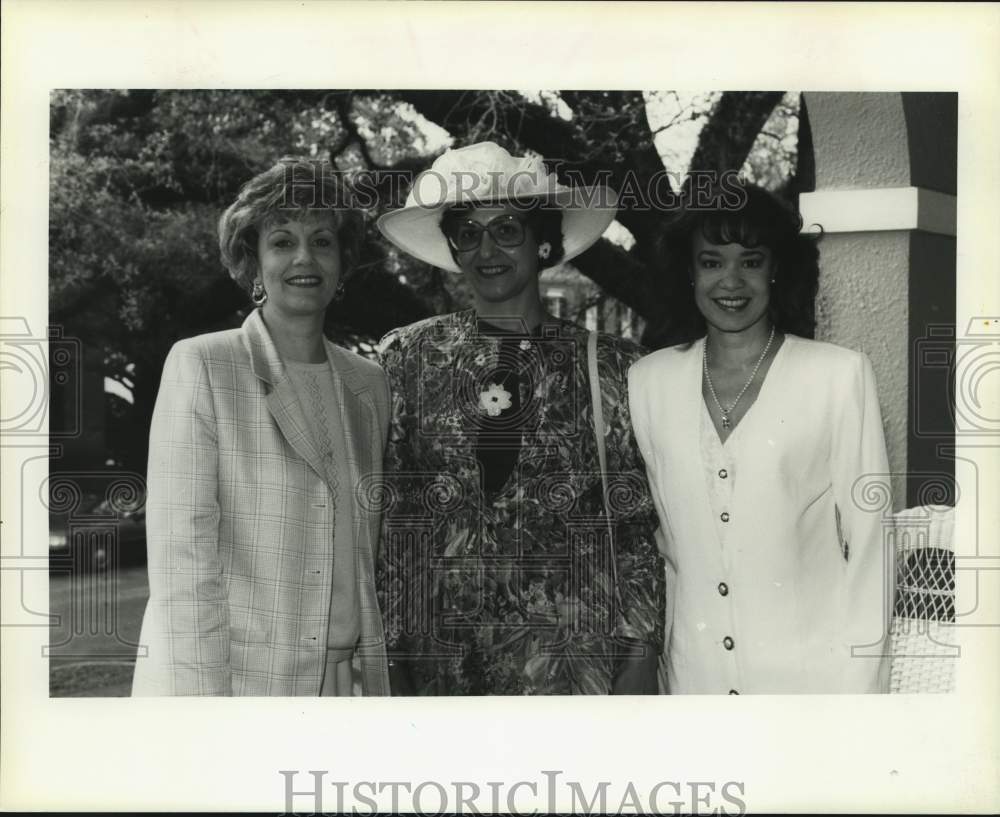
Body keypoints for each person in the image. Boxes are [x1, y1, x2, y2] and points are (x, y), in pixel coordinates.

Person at [374, 142, 665, 695]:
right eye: (470, 232)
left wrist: (641, 648)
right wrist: (392, 654)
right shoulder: (407, 359)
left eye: (508, 228)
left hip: (577, 664)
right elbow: (395, 522)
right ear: (454, 248)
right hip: (447, 665)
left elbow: (633, 528)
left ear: (544, 242)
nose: (489, 249)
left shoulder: (612, 368)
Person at [132, 159, 391, 696]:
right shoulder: (203, 365)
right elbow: (183, 570)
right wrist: (212, 721)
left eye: (322, 241)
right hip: (240, 688)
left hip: (350, 689)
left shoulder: (370, 386)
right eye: (282, 241)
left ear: (343, 263)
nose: (304, 257)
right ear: (253, 264)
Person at [628, 181, 893, 694]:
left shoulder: (839, 376)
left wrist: (862, 696)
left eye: (751, 261)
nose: (732, 280)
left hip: (813, 689)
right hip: (695, 685)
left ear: (776, 268)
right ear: (689, 271)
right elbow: (668, 550)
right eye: (711, 261)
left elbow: (871, 548)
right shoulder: (647, 382)